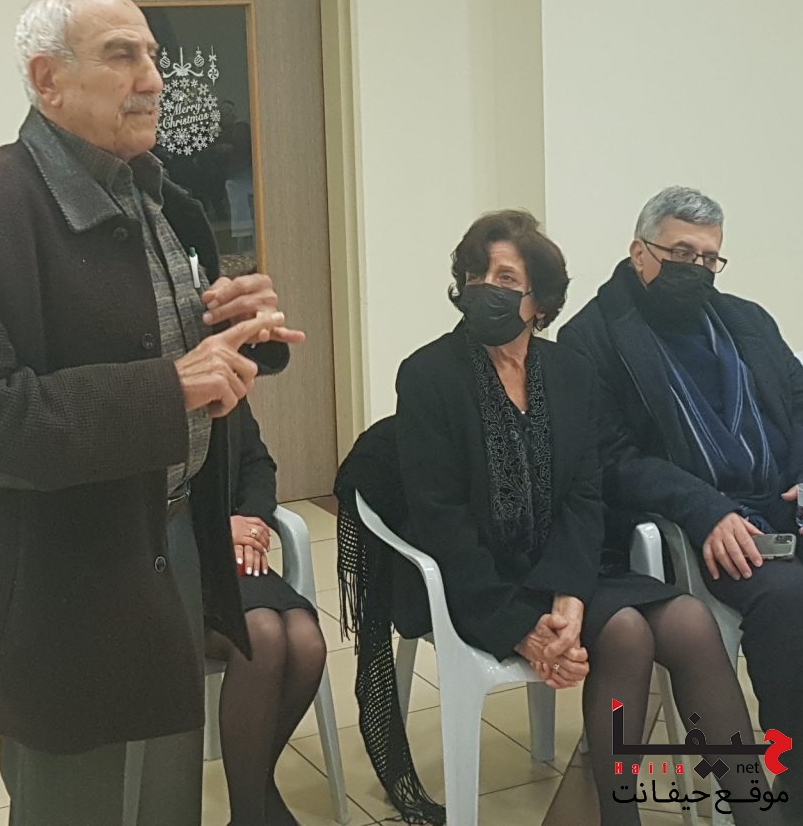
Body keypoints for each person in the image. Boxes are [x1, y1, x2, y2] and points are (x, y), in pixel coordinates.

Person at [0, 0, 304, 826]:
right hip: (60, 583)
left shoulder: (160, 198)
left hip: (172, 544)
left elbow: (155, 344)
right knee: (77, 800)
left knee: (165, 793)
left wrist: (233, 331)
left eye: (152, 55)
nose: (153, 78)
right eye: (122, 56)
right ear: (47, 79)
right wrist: (169, 387)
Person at [336, 210, 773, 826]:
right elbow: (440, 521)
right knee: (626, 632)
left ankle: (756, 812)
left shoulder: (570, 373)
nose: (485, 288)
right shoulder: (429, 375)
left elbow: (584, 497)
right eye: (476, 275)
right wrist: (522, 628)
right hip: (480, 582)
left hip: (563, 564)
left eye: (505, 278)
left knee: (689, 621)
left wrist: (569, 595)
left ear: (539, 301)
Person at [559, 185, 803, 815]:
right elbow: (610, 459)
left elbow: (799, 400)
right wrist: (704, 508)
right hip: (696, 523)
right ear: (640, 252)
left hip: (784, 504)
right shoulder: (592, 337)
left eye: (709, 257)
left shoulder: (747, 320)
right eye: (681, 253)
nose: (697, 268)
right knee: (788, 599)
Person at [205, 401, 326, 826]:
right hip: (172, 562)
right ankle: (251, 811)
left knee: (307, 643)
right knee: (261, 635)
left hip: (231, 562)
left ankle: (254, 790)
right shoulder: (149, 387)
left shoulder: (224, 386)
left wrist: (251, 521)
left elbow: (257, 462)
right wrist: (219, 528)